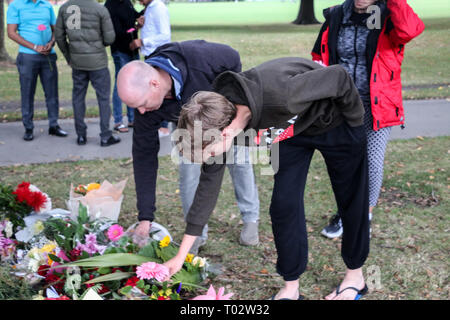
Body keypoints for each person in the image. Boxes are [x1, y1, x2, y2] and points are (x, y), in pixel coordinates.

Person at [164, 57, 370, 300]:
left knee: (350, 197)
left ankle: (355, 276)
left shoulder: (281, 94)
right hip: (291, 132)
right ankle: (291, 287)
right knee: (283, 205)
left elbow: (339, 76)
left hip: (334, 122)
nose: (210, 158)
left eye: (209, 153)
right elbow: (207, 188)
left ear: (225, 133)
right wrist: (181, 255)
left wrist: (355, 127)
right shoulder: (216, 119)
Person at [116, 40, 260, 254]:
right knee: (188, 170)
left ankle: (250, 219)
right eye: (136, 108)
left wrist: (232, 105)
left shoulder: (198, 60)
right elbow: (144, 157)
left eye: (143, 104)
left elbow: (232, 56)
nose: (142, 112)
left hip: (223, 113)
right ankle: (196, 234)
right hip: (187, 123)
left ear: (154, 84)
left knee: (238, 159)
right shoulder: (146, 106)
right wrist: (145, 217)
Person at [311, 0, 424, 238]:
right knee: (345, 160)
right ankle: (346, 211)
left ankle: (364, 215)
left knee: (371, 159)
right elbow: (319, 55)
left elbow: (410, 30)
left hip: (377, 103)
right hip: (340, 104)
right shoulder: (337, 15)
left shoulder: (388, 16)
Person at [55, 0, 121, 147]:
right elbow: (110, 38)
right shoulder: (99, 9)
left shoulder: (65, 8)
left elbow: (59, 36)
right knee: (103, 99)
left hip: (77, 62)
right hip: (98, 62)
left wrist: (68, 56)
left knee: (78, 98)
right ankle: (105, 136)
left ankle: (81, 136)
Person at [6, 0, 68, 141]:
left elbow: (55, 30)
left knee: (52, 92)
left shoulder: (46, 5)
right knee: (27, 93)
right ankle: (28, 128)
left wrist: (51, 43)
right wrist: (34, 47)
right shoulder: (16, 5)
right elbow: (11, 33)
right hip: (27, 57)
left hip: (48, 56)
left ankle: (54, 125)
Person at [129, 0, 171, 137]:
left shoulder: (158, 7)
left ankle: (164, 127)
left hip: (158, 54)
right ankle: (157, 124)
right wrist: (141, 26)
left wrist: (142, 41)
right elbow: (152, 29)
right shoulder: (149, 7)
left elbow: (165, 35)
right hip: (150, 55)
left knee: (161, 90)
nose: (139, 1)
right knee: (152, 90)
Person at [105, 0, 144, 133]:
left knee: (134, 84)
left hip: (132, 50)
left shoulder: (127, 2)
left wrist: (146, 9)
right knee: (120, 84)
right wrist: (135, 28)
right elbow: (118, 32)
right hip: (120, 50)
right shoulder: (110, 5)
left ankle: (132, 119)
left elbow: (134, 16)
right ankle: (118, 121)